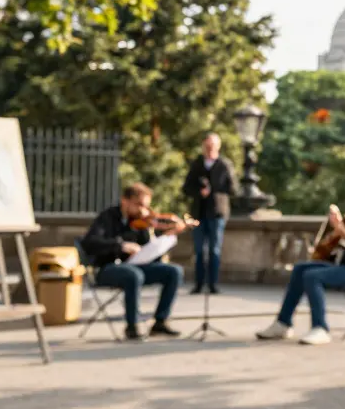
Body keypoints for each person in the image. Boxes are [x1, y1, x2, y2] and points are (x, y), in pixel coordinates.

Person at [255, 177, 345, 346]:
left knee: (312, 277)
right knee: (301, 268)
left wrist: (343, 232)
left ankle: (320, 328)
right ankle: (283, 323)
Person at [80, 183, 186, 341]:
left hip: (137, 267)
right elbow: (90, 242)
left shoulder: (142, 222)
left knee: (174, 272)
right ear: (125, 201)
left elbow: (150, 254)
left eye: (146, 206)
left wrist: (159, 236)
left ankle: (160, 322)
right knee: (133, 275)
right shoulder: (108, 217)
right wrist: (120, 245)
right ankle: (132, 326)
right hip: (107, 268)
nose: (143, 210)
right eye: (139, 205)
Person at [182, 132, 235, 294]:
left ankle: (213, 284)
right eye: (207, 146)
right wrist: (200, 192)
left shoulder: (224, 164)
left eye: (212, 146)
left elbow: (233, 188)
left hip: (217, 213)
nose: (209, 148)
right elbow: (186, 188)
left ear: (217, 146)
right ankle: (198, 284)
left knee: (214, 250)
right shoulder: (197, 164)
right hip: (199, 213)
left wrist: (214, 191)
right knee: (199, 251)